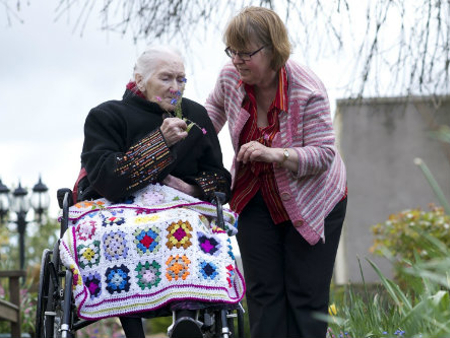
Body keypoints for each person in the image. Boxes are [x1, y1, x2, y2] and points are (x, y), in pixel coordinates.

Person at [60, 45, 245, 338]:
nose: (176, 87)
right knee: (117, 236)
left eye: (181, 79)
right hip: (116, 210)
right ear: (140, 79)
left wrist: (190, 187)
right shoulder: (107, 115)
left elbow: (221, 181)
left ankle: (186, 319)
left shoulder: (196, 114)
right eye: (166, 78)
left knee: (185, 226)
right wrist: (160, 141)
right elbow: (106, 179)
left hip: (179, 210)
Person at [205, 6, 347, 338]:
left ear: (273, 49)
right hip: (255, 196)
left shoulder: (306, 88)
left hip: (313, 200)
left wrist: (276, 154)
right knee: (263, 294)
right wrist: (190, 140)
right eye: (232, 52)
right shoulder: (231, 77)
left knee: (305, 295)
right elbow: (212, 111)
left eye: (246, 53)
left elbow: (324, 153)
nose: (237, 60)